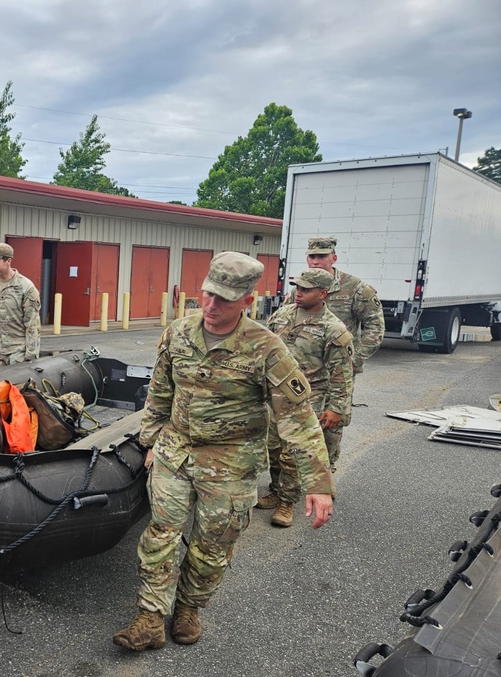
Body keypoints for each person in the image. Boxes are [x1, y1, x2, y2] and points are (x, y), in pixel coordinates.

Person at [113, 252, 334, 652]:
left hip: (231, 464)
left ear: (248, 301)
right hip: (175, 454)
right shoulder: (178, 332)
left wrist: (318, 483)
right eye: (208, 295)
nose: (212, 307)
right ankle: (149, 616)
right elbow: (160, 392)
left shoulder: (266, 348)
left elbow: (298, 418)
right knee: (160, 534)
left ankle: (188, 608)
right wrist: (150, 441)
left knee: (212, 546)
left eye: (225, 300)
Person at [259, 268, 354, 528]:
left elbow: (341, 374)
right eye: (297, 288)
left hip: (307, 398)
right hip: (275, 396)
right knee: (273, 447)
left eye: (305, 289)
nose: (298, 293)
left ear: (323, 294)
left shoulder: (333, 329)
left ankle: (287, 501)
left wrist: (336, 409)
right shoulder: (282, 314)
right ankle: (276, 489)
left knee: (293, 451)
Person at [303, 236, 384, 375]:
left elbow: (376, 326)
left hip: (339, 368)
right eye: (312, 256)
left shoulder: (354, 287)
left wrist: (355, 359)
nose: (315, 261)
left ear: (333, 258)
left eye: (322, 256)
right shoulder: (301, 287)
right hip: (305, 366)